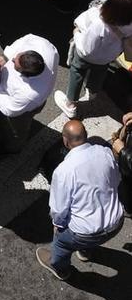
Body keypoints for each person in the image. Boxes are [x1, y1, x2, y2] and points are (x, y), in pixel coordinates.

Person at [37, 120, 125, 280]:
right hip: (116, 223)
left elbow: (59, 210)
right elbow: (116, 179)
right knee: (90, 232)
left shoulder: (63, 171)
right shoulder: (104, 152)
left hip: (85, 233)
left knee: (61, 242)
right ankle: (85, 251)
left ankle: (59, 268)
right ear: (86, 136)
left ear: (65, 141)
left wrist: (58, 227)